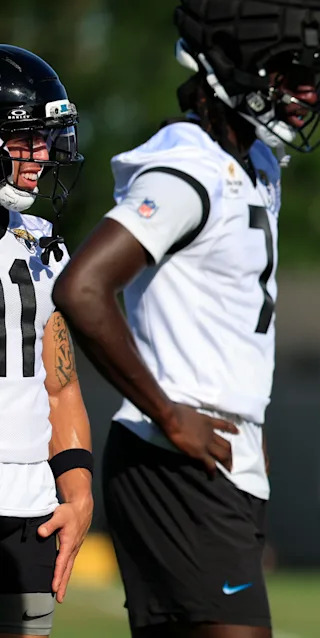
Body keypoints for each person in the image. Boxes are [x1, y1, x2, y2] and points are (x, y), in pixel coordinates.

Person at [51, 1, 320, 636]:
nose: (313, 96)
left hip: (221, 458)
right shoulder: (190, 168)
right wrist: (169, 414)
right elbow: (82, 288)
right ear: (238, 67)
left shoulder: (256, 162)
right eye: (296, 75)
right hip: (175, 459)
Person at [0, 45, 93, 638]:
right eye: (25, 138)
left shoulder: (40, 244)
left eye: (46, 138)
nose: (42, 154)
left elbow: (59, 385)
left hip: (30, 500)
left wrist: (78, 489)